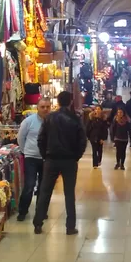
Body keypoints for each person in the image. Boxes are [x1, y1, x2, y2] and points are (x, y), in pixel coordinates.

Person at [34, 91, 86, 235]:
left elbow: (41, 139)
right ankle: (70, 226)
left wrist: (46, 155)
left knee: (45, 191)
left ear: (58, 101)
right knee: (69, 193)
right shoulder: (75, 119)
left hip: (51, 159)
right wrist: (76, 156)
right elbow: (82, 140)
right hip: (69, 160)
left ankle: (38, 223)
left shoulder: (50, 118)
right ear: (70, 102)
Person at [15, 98, 51, 221]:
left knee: (43, 187)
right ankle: (23, 211)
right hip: (31, 157)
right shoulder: (28, 121)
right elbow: (20, 137)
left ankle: (41, 212)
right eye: (42, 107)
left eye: (47, 107)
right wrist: (25, 151)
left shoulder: (52, 122)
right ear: (37, 107)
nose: (45, 109)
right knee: (29, 185)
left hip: (46, 159)